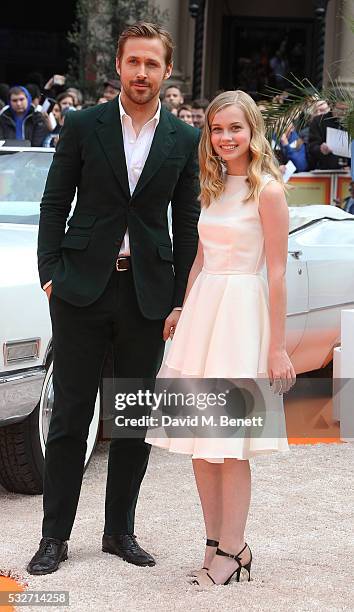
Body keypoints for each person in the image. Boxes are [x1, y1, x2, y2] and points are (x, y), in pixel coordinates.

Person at [27, 21, 200, 576]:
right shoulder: (82, 125)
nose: (142, 73)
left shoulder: (184, 139)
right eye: (134, 63)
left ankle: (118, 531)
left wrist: (178, 298)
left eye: (153, 64)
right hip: (79, 289)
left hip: (146, 296)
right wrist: (49, 272)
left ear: (166, 70)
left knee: (130, 418)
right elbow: (53, 203)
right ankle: (54, 537)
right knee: (71, 416)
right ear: (119, 67)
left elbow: (187, 220)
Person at [147, 90, 295, 587]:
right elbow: (200, 259)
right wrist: (184, 309)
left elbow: (277, 274)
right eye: (216, 129)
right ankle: (214, 543)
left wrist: (276, 347)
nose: (225, 137)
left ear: (253, 130)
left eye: (235, 127)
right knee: (199, 441)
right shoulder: (211, 187)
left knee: (231, 443)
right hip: (205, 314)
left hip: (242, 318)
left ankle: (235, 547)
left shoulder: (268, 191)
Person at [308, 101, 350, 170]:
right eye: (341, 109)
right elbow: (311, 147)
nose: (344, 113)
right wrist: (320, 149)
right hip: (324, 170)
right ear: (332, 106)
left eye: (346, 110)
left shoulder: (350, 122)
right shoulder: (318, 121)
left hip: (347, 171)